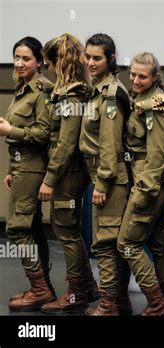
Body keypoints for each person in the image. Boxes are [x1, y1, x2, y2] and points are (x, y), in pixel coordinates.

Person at [34, 33, 100, 315]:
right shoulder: (75, 90)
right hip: (68, 172)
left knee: (66, 231)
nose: (48, 69)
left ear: (58, 62)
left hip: (69, 173)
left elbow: (66, 143)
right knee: (68, 230)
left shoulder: (72, 94)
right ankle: (87, 286)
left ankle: (76, 295)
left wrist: (49, 179)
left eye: (49, 63)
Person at [117, 52, 164, 316]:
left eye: (142, 76)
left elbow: (157, 154)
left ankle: (158, 304)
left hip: (150, 179)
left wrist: (144, 192)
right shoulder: (135, 99)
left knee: (127, 243)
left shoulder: (156, 106)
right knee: (158, 245)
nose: (136, 80)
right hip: (143, 175)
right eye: (133, 74)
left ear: (154, 77)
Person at [0, 36, 55, 311]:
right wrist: (11, 169)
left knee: (17, 228)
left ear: (40, 61)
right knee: (32, 227)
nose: (19, 63)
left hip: (34, 166)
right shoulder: (22, 88)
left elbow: (44, 134)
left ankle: (40, 289)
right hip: (22, 166)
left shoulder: (43, 90)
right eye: (16, 58)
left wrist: (11, 131)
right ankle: (42, 285)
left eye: (26, 59)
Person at [79, 33, 131, 316]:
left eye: (96, 57)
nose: (90, 62)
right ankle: (118, 301)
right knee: (109, 241)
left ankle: (109, 304)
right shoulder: (98, 90)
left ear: (111, 58)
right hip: (100, 175)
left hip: (108, 178)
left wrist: (103, 183)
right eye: (87, 57)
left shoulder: (110, 94)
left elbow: (111, 145)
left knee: (107, 242)